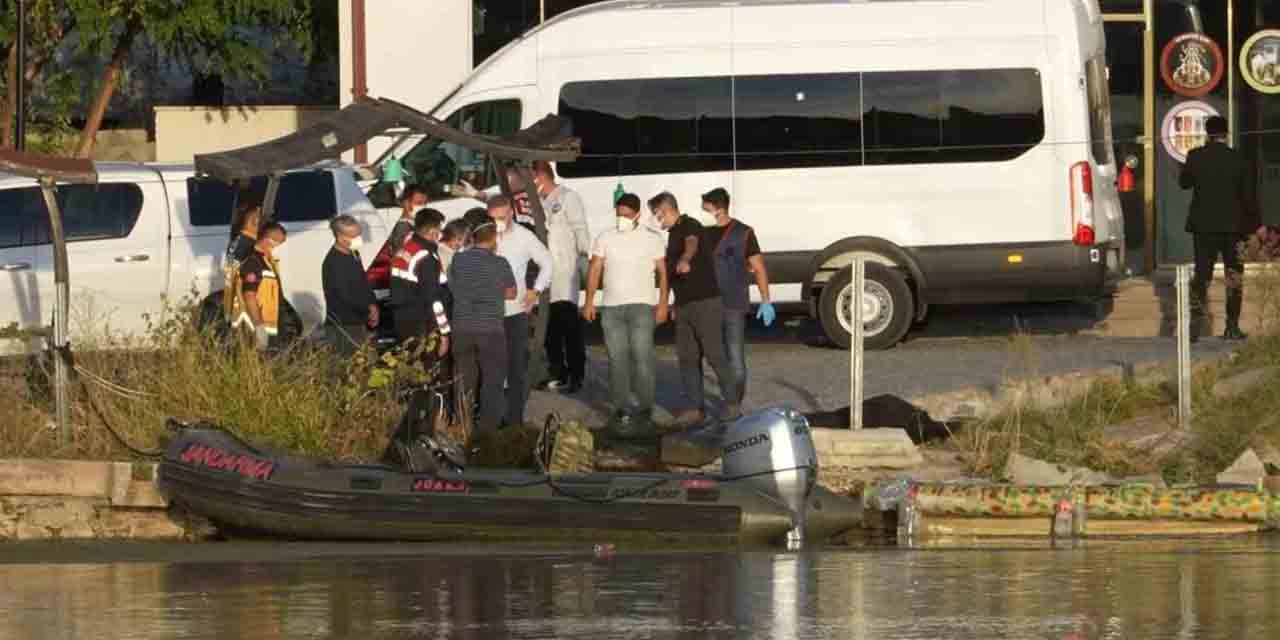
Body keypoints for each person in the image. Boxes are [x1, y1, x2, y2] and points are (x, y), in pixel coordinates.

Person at [650, 192, 742, 426]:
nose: (657, 219)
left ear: (667, 209)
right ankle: (694, 408)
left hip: (705, 303)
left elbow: (692, 243)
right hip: (684, 306)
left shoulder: (689, 225)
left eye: (658, 214)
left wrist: (685, 258)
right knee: (687, 357)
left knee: (714, 354)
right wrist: (671, 303)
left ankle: (732, 404)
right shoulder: (672, 235)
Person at [582, 193, 669, 431]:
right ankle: (621, 408)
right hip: (611, 307)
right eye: (619, 214)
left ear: (638, 215)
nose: (622, 218)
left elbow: (663, 273)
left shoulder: (653, 239)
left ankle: (645, 408)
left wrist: (663, 304)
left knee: (642, 357)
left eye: (627, 215)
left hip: (642, 306)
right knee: (616, 359)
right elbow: (595, 269)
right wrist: (589, 301)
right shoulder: (605, 237)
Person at [1179, 115, 1260, 341]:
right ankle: (1231, 327)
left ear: (1207, 133)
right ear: (1226, 133)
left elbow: (1184, 183)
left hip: (1204, 227)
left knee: (1202, 275)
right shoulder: (1238, 159)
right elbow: (1248, 196)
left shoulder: (1195, 156)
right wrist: (1255, 225)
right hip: (1234, 227)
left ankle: (1194, 328)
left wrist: (1187, 168)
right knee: (1234, 275)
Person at [701, 187, 774, 402]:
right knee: (715, 355)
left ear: (718, 209)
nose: (702, 212)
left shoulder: (743, 233)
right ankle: (728, 398)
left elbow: (758, 266)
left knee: (734, 355)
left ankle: (734, 402)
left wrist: (766, 300)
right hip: (707, 303)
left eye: (705, 208)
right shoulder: (701, 233)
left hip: (733, 302)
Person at [489, 194, 553, 428]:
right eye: (493, 218)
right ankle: (490, 419)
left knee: (516, 368)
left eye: (502, 217)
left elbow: (547, 262)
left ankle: (514, 420)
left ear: (510, 213)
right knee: (492, 369)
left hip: (515, 311)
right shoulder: (485, 236)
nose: (498, 222)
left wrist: (535, 290)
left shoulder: (524, 237)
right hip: (489, 312)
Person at [448, 223, 518, 433]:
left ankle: (462, 425)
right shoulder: (500, 263)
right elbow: (512, 293)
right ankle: (488, 430)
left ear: (473, 238)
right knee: (493, 381)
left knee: (463, 378)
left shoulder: (458, 260)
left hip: (462, 328)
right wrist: (492, 290)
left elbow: (452, 285)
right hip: (490, 330)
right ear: (494, 239)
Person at [531, 161, 591, 394]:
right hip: (544, 273)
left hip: (565, 272)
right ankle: (557, 372)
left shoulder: (567, 197)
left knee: (569, 328)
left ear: (541, 177)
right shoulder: (536, 201)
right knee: (549, 330)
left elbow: (580, 229)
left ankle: (577, 374)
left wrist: (586, 257)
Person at [389, 208, 451, 358]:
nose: (440, 234)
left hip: (402, 321)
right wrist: (444, 333)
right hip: (423, 326)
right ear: (432, 231)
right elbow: (434, 299)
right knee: (429, 371)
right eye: (439, 230)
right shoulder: (426, 258)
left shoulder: (405, 249)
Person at [322, 215, 379, 357]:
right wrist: (367, 309)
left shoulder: (354, 254)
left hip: (359, 321)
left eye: (359, 234)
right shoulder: (334, 262)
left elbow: (363, 282)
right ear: (341, 238)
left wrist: (373, 304)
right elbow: (345, 295)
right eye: (354, 235)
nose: (359, 238)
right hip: (344, 325)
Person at [234, 222, 287, 351]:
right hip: (256, 326)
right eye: (277, 242)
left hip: (269, 324)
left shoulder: (266, 260)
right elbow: (249, 295)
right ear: (267, 239)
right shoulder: (253, 261)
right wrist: (259, 326)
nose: (276, 246)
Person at [388, 184, 430, 255]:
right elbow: (399, 255)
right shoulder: (403, 228)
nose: (423, 206)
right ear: (406, 203)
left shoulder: (414, 225)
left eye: (425, 203)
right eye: (419, 203)